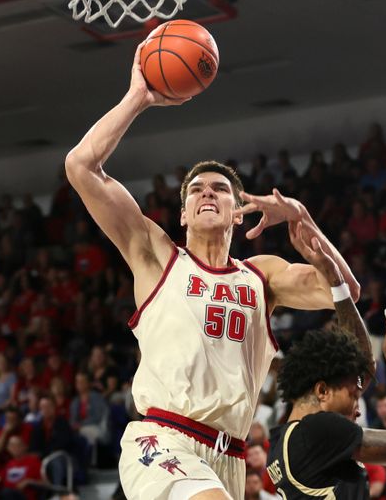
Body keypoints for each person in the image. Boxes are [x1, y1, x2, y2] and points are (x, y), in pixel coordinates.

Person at [65, 41, 360, 500]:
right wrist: (138, 98)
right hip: (162, 438)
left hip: (231, 454)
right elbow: (81, 166)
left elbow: (345, 292)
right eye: (196, 190)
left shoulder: (261, 275)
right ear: (182, 213)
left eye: (220, 189)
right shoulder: (157, 256)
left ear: (238, 212)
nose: (207, 193)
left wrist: (304, 218)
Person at [267, 305, 386, 500]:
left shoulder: (280, 442)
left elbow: (364, 366)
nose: (358, 411)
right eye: (354, 397)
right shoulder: (318, 430)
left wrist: (341, 292)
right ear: (323, 391)